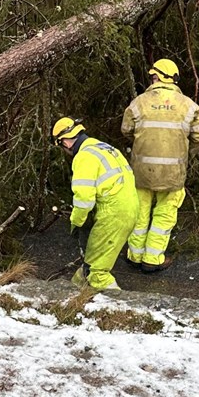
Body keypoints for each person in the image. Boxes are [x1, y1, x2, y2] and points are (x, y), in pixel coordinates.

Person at [122, 58, 199, 272]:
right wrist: (185, 154)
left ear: (155, 77)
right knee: (165, 214)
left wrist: (143, 146)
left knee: (140, 212)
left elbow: (126, 130)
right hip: (172, 174)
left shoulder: (138, 103)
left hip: (141, 172)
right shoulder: (189, 106)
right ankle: (152, 259)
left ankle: (134, 255)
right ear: (174, 78)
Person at [51, 116, 138, 292]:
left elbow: (84, 199)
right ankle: (71, 295)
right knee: (88, 265)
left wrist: (76, 222)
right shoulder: (104, 147)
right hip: (129, 208)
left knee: (97, 272)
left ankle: (117, 310)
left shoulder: (84, 157)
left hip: (113, 214)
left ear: (65, 142)